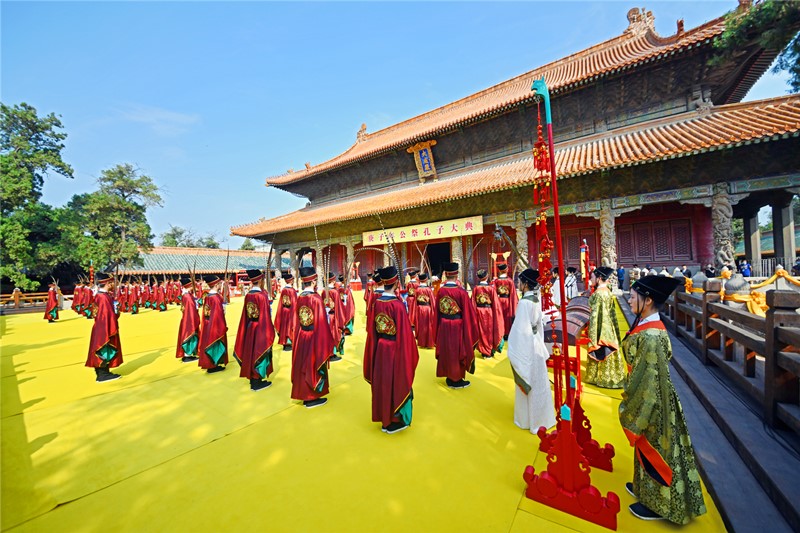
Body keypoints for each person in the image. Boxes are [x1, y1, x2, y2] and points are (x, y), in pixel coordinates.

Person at [620, 275, 707, 524]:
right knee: (649, 446)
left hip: (653, 401)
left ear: (647, 301)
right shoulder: (648, 327)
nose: (629, 297)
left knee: (656, 447)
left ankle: (660, 504)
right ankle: (644, 490)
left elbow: (647, 381)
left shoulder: (650, 337)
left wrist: (632, 409)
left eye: (633, 295)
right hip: (653, 394)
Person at [363, 265, 420, 433]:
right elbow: (405, 334)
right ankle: (394, 419)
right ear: (396, 284)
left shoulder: (378, 303)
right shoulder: (397, 306)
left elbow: (372, 330)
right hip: (395, 349)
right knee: (396, 380)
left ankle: (384, 418)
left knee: (384, 381)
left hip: (381, 347)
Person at [507, 268, 556, 433]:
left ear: (526, 283)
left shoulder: (524, 302)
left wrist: (514, 351)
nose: (518, 284)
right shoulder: (536, 299)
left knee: (528, 376)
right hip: (535, 342)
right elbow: (537, 325)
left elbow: (520, 330)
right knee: (538, 381)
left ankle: (527, 420)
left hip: (527, 344)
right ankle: (543, 416)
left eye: (520, 281)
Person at [291, 266, 334, 408]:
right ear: (314, 281)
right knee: (313, 364)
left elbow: (297, 320)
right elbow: (321, 323)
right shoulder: (316, 299)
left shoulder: (300, 297)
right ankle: (312, 396)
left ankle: (305, 394)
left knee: (303, 364)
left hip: (302, 335)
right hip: (314, 336)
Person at [435, 262, 478, 389]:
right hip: (457, 326)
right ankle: (456, 379)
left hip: (443, 324)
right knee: (457, 350)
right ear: (456, 274)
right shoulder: (461, 293)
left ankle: (449, 376)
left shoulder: (441, 291)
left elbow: (436, 310)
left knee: (447, 349)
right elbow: (469, 314)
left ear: (446, 275)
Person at [233, 269, 276, 392]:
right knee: (259, 351)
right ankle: (257, 379)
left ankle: (253, 378)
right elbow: (265, 316)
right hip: (260, 328)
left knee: (251, 352)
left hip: (250, 327)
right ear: (261, 280)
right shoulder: (261, 296)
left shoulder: (248, 295)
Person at [585, 266, 626, 389]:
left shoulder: (599, 294)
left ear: (599, 278)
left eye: (592, 277)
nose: (590, 279)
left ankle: (601, 377)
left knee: (600, 348)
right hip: (609, 325)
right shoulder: (607, 291)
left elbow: (595, 315)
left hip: (600, 326)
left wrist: (592, 334)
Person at [85, 271, 123, 382]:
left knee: (103, 348)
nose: (113, 285)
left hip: (100, 327)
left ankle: (103, 372)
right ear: (108, 283)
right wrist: (113, 325)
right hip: (105, 327)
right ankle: (103, 374)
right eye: (112, 282)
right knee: (105, 348)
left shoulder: (100, 296)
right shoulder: (103, 298)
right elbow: (107, 315)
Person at [198, 274, 228, 374]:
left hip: (208, 323)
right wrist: (223, 311)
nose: (220, 285)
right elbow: (217, 315)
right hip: (214, 324)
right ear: (216, 285)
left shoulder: (208, 296)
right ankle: (213, 364)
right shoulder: (215, 298)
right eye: (219, 283)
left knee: (208, 341)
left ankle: (211, 363)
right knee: (215, 341)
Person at [472, 268, 504, 358]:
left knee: (481, 330)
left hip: (478, 311)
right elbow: (496, 304)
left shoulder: (475, 289)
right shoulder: (491, 289)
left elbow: (473, 303)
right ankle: (488, 350)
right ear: (487, 276)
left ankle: (483, 349)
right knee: (489, 331)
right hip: (489, 312)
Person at [322, 272, 345, 362]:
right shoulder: (335, 292)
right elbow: (339, 307)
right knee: (333, 334)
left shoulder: (324, 291)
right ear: (333, 280)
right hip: (333, 316)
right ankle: (332, 353)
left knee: (328, 334)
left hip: (326, 316)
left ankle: (328, 351)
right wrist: (342, 320)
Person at [176, 276, 200, 363]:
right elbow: (191, 311)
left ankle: (188, 354)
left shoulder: (186, 295)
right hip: (189, 320)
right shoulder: (188, 297)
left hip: (185, 319)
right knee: (190, 336)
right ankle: (187, 355)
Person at [492, 262, 518, 345]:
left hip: (498, 300)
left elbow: (493, 293)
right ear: (506, 270)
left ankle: (500, 333)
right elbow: (513, 294)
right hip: (507, 300)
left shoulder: (495, 281)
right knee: (507, 317)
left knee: (499, 317)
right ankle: (506, 333)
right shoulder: (509, 281)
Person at [274, 271, 297, 351]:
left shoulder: (284, 290)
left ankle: (284, 342)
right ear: (291, 281)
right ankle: (289, 341)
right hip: (291, 311)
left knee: (284, 325)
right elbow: (294, 303)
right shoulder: (292, 290)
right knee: (290, 326)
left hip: (284, 310)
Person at [414, 273, 437, 348]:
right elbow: (433, 301)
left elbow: (415, 301)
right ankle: (428, 342)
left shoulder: (417, 290)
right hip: (427, 309)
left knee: (421, 325)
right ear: (426, 279)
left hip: (419, 308)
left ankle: (421, 342)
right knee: (428, 325)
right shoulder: (428, 290)